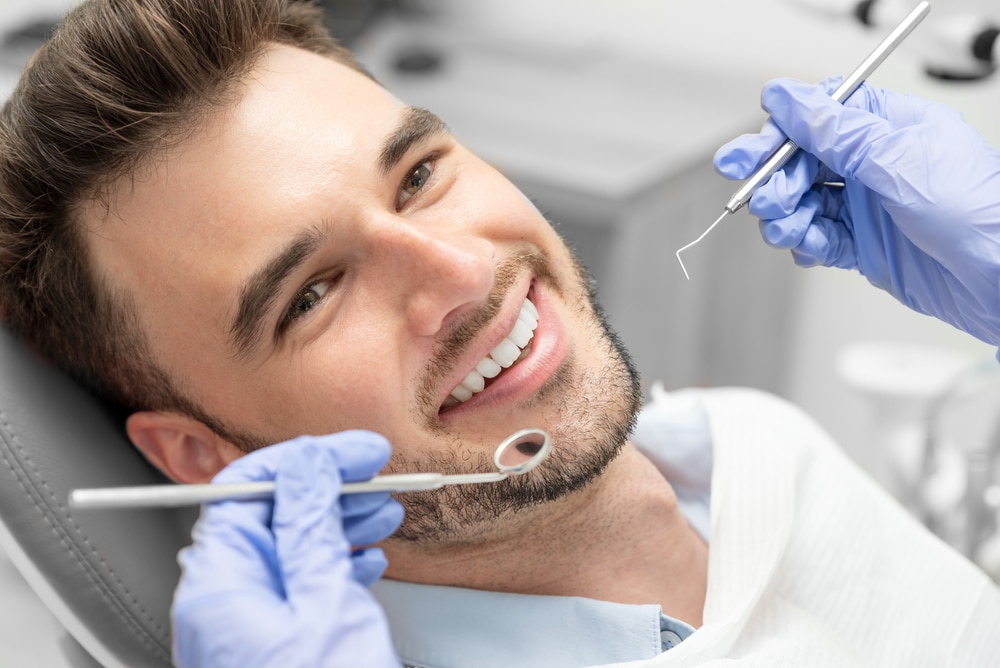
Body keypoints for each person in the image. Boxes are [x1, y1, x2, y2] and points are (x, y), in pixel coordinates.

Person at [0, 1, 996, 666]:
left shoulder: (748, 437)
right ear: (204, 454)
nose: (466, 271)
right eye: (310, 294)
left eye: (419, 175)